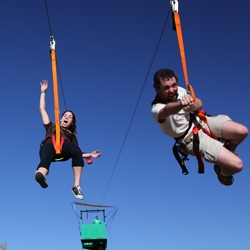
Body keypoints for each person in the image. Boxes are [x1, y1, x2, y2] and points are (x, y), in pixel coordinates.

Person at [151, 68, 248, 186]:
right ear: (157, 89)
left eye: (174, 85)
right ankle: (223, 173)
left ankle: (229, 152)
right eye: (166, 88)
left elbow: (199, 103)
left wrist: (194, 105)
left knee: (242, 131)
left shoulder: (180, 91)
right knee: (237, 165)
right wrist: (181, 104)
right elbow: (166, 110)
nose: (172, 90)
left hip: (202, 121)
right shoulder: (156, 108)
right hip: (191, 138)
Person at [35, 79, 101, 199]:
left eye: (69, 117)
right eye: (65, 115)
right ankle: (41, 175)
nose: (67, 117)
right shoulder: (51, 126)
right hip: (50, 145)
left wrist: (90, 154)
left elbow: (78, 153)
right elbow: (42, 110)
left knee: (75, 150)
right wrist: (43, 92)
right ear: (60, 118)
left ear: (71, 122)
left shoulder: (71, 135)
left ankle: (76, 186)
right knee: (45, 158)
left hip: (64, 149)